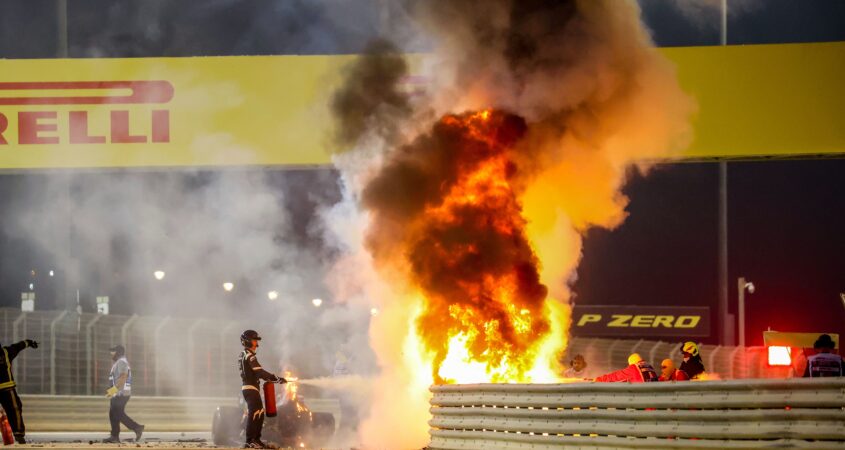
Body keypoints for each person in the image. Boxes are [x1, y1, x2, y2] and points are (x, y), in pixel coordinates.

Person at [239, 330, 286, 449]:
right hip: (250, 388)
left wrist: (274, 379)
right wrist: (276, 379)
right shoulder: (249, 356)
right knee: (254, 413)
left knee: (259, 413)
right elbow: (259, 372)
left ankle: (256, 440)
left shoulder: (245, 354)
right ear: (248, 341)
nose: (257, 344)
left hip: (252, 388)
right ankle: (250, 441)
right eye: (254, 341)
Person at [102, 345, 144, 443]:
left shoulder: (121, 362)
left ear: (118, 353)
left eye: (113, 352)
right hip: (119, 393)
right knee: (113, 414)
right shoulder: (120, 362)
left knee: (117, 414)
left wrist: (113, 390)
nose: (111, 354)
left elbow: (123, 377)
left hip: (121, 394)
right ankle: (115, 436)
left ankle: (136, 428)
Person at [0, 339, 38, 444]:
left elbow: (18, 346)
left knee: (15, 409)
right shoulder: (6, 352)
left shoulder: (6, 352)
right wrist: (29, 342)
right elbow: (18, 346)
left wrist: (28, 343)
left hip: (7, 388)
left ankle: (19, 435)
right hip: (7, 389)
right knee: (15, 410)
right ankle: (19, 434)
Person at [594, 353, 658, 383]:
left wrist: (601, 379)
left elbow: (617, 376)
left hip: (642, 401)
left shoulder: (634, 367)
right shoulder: (649, 367)